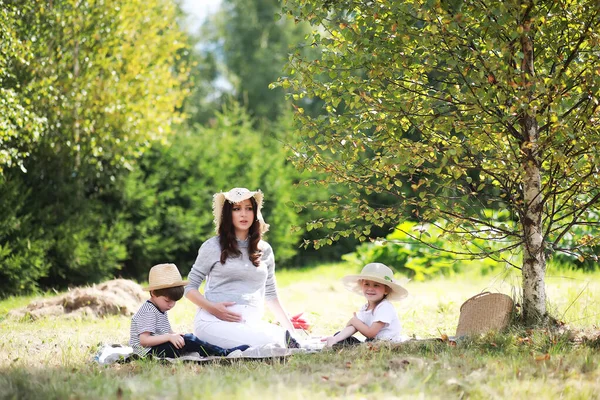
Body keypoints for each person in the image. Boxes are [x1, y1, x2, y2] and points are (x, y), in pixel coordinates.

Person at [184, 188, 299, 349]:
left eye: (249, 208)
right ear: (228, 214)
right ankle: (282, 340)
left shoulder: (264, 250)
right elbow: (189, 288)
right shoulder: (212, 246)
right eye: (237, 209)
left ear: (255, 213)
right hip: (213, 322)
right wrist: (213, 309)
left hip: (250, 323)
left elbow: (271, 294)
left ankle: (287, 339)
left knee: (283, 337)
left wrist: (291, 329)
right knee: (275, 340)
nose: (243, 214)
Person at [130, 263, 248, 358]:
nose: (171, 305)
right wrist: (169, 337)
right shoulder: (148, 311)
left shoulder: (159, 307)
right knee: (189, 341)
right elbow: (144, 341)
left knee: (187, 338)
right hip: (147, 353)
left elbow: (165, 330)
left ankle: (214, 350)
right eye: (167, 301)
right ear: (153, 293)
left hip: (156, 347)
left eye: (174, 301)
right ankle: (223, 353)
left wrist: (174, 335)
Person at [321, 263, 408, 347]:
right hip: (372, 343)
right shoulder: (365, 308)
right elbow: (352, 326)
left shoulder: (385, 307)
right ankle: (335, 343)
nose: (370, 289)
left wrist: (355, 321)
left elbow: (371, 333)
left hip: (385, 344)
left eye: (376, 285)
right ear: (362, 285)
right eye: (366, 284)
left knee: (351, 341)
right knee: (340, 336)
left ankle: (342, 346)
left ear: (386, 290)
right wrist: (335, 339)